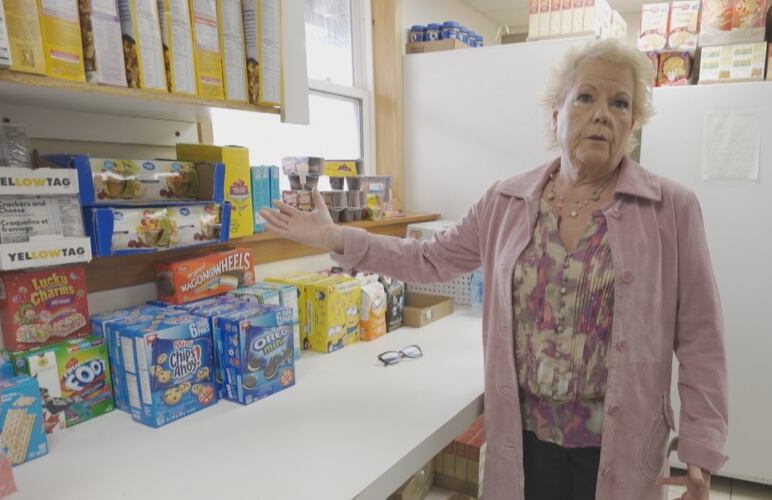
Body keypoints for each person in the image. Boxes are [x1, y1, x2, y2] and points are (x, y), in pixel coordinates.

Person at [260, 39, 728, 500]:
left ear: (633, 125)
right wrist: (336, 238)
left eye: (620, 103)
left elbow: (701, 337)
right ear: (556, 114)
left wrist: (701, 449)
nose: (602, 113)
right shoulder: (506, 201)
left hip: (620, 450)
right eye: (585, 97)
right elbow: (429, 259)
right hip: (525, 443)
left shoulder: (671, 210)